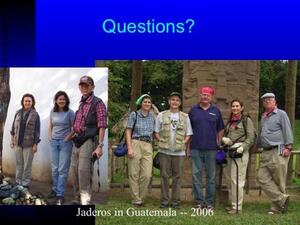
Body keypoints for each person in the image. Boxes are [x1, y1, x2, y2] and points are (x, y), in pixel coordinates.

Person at [71, 75, 107, 205]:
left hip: (88, 141)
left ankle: (85, 202)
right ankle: (76, 200)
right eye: (82, 85)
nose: (84, 87)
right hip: (77, 141)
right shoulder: (81, 103)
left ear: (92, 87)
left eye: (87, 85)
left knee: (84, 172)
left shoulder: (98, 103)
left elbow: (102, 125)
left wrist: (100, 146)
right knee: (75, 172)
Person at [187, 86, 224, 210]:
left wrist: (218, 143)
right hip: (195, 147)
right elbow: (188, 130)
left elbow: (220, 129)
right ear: (200, 95)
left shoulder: (216, 110)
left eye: (208, 95)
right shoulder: (193, 110)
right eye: (203, 94)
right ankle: (198, 202)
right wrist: (187, 147)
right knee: (196, 176)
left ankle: (209, 203)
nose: (205, 96)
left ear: (211, 97)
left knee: (211, 177)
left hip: (211, 149)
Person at [154, 92, 193, 209]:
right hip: (164, 152)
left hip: (179, 153)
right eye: (172, 100)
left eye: (177, 100)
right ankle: (164, 202)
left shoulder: (185, 117)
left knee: (177, 177)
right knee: (164, 176)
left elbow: (189, 134)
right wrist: (161, 141)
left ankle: (176, 202)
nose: (174, 102)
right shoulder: (161, 115)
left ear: (180, 103)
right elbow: (156, 132)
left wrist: (183, 143)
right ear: (169, 101)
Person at [256, 93, 293, 214]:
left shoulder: (281, 114)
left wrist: (288, 147)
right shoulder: (264, 116)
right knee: (261, 177)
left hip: (279, 150)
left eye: (270, 99)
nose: (267, 101)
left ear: (275, 101)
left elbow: (287, 129)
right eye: (265, 100)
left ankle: (277, 208)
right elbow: (261, 133)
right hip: (265, 151)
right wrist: (256, 146)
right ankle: (281, 199)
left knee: (279, 180)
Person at [221, 99, 255, 214]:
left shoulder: (246, 120)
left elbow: (250, 138)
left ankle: (237, 208)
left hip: (240, 153)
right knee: (230, 180)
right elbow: (227, 135)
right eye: (233, 106)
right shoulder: (230, 121)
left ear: (242, 107)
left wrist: (242, 147)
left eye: (237, 106)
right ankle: (232, 204)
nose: (235, 108)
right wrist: (224, 140)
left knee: (237, 180)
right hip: (229, 152)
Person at [126, 94, 155, 207]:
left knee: (147, 174)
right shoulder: (134, 115)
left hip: (148, 145)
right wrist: (129, 147)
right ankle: (136, 199)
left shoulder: (152, 116)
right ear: (140, 103)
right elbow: (128, 131)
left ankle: (141, 197)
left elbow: (155, 132)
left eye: (149, 102)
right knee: (134, 173)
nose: (147, 104)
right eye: (145, 102)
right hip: (135, 143)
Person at [48, 91, 75, 205]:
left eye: (63, 99)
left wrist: (67, 138)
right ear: (56, 100)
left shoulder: (70, 112)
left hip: (65, 143)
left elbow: (75, 128)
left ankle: (60, 194)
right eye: (59, 99)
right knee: (54, 169)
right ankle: (54, 190)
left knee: (62, 170)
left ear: (66, 101)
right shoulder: (52, 112)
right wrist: (50, 137)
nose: (61, 101)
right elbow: (50, 125)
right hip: (54, 142)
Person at [10, 93, 40, 188]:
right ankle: (18, 182)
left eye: (29, 101)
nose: (27, 102)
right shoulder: (18, 113)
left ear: (32, 102)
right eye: (25, 101)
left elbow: (37, 131)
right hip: (17, 143)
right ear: (23, 102)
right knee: (19, 164)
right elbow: (13, 127)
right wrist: (12, 140)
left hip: (29, 144)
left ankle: (25, 184)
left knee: (27, 165)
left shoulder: (35, 114)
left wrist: (35, 144)